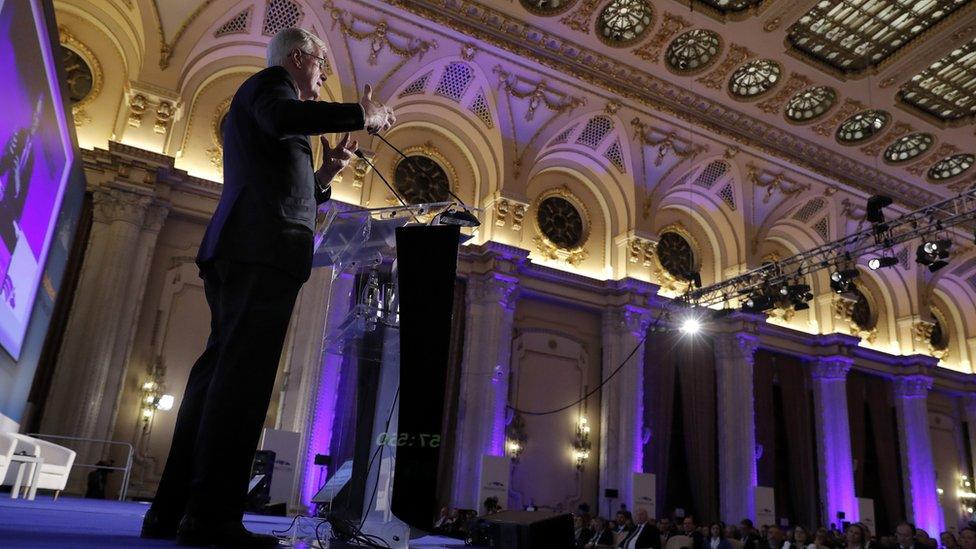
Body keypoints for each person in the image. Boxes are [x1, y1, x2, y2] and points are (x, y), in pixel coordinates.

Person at [140, 27, 395, 547]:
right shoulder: (270, 87)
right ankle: (210, 518)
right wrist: (361, 115)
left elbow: (285, 184)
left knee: (219, 381)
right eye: (320, 66)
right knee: (241, 385)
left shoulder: (274, 107)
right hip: (258, 252)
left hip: (250, 249)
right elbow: (283, 120)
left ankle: (174, 512)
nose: (322, 77)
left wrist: (325, 173)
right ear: (299, 58)